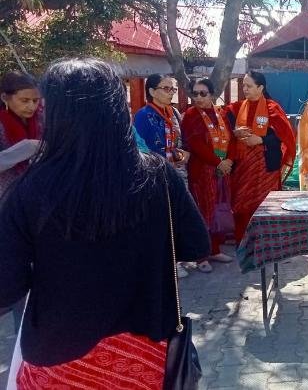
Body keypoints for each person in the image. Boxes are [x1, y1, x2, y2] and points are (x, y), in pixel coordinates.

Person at [0, 58, 209, 389]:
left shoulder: (30, 189)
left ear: (55, 114)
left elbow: (6, 287)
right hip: (146, 360)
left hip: (58, 362)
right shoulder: (158, 176)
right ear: (117, 107)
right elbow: (197, 245)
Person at [226, 71, 296, 245]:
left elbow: (284, 136)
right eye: (243, 85)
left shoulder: (273, 108)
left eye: (249, 86)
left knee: (265, 204)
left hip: (266, 167)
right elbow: (223, 129)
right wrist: (234, 133)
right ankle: (243, 240)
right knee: (242, 203)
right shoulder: (235, 108)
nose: (245, 89)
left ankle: (266, 240)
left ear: (261, 88)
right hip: (242, 167)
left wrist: (261, 139)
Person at [133, 73, 192, 277]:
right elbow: (141, 149)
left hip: (178, 172)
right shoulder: (143, 116)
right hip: (156, 175)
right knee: (162, 217)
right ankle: (167, 263)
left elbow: (181, 140)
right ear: (151, 91)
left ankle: (178, 257)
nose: (171, 93)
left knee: (177, 214)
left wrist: (185, 152)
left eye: (173, 89)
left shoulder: (174, 112)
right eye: (166, 89)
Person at [0, 71, 41, 335]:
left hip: (36, 208)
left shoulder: (42, 121)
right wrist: (24, 149)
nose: (31, 106)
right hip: (5, 209)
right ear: (5, 97)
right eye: (24, 100)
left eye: (35, 101)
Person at [181, 78, 235, 273]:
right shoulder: (190, 115)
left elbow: (232, 139)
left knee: (219, 209)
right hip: (202, 171)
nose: (198, 98)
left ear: (212, 94)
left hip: (222, 171)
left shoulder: (222, 113)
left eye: (202, 93)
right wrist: (218, 162)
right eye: (194, 94)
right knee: (203, 211)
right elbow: (195, 144)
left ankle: (215, 249)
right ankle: (201, 255)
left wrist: (228, 161)